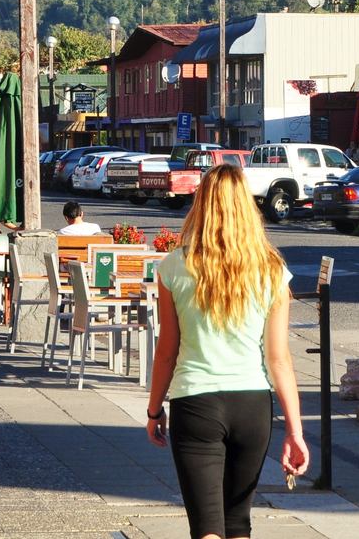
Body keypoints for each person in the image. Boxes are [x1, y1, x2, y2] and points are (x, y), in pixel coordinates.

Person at [146, 165, 307, 539]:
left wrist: (155, 410)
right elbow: (279, 359)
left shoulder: (173, 266)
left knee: (206, 527)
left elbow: (166, 351)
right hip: (252, 406)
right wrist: (295, 432)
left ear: (201, 205)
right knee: (238, 524)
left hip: (195, 402)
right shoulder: (272, 270)